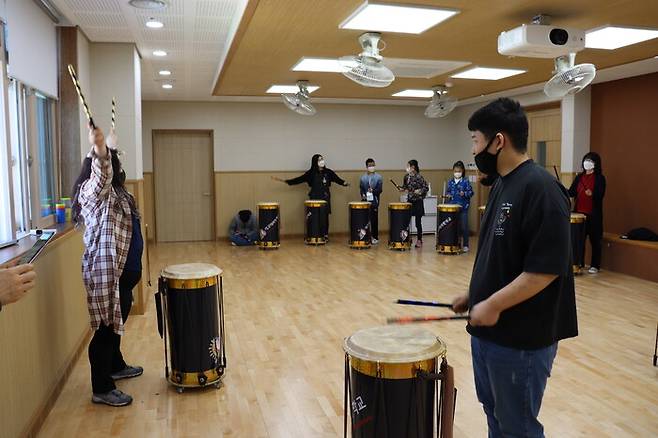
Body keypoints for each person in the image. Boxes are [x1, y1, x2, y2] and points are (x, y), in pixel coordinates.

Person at [451, 98, 577, 438]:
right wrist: (474, 294)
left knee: (517, 427)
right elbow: (502, 254)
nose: (473, 149)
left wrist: (492, 304)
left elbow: (545, 270)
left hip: (522, 339)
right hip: (490, 333)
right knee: (495, 416)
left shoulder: (542, 190)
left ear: (498, 141)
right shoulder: (502, 183)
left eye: (476, 140)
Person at [72, 125, 143, 407]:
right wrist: (101, 150)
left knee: (116, 324)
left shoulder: (118, 193)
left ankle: (116, 365)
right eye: (115, 165)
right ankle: (102, 387)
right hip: (107, 277)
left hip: (123, 277)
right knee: (104, 330)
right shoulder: (93, 192)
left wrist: (112, 146)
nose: (117, 168)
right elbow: (102, 174)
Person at [273, 154, 349, 239]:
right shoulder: (311, 173)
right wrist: (288, 182)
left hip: (325, 197)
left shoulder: (328, 172)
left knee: (324, 217)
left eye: (322, 159)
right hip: (314, 197)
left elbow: (337, 179)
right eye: (319, 160)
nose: (321, 161)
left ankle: (325, 235)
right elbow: (299, 179)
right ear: (315, 162)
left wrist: (343, 183)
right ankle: (314, 234)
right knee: (314, 217)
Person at [568, 152, 606, 274]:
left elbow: (600, 195)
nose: (587, 163)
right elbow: (572, 192)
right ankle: (580, 263)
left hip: (593, 215)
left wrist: (592, 194)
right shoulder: (579, 177)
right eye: (586, 160)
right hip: (580, 214)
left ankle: (595, 265)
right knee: (579, 241)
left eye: (590, 161)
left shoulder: (600, 178)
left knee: (595, 240)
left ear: (595, 164)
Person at [446, 161, 474, 252]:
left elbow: (471, 192)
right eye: (455, 171)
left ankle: (465, 245)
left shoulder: (465, 181)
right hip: (453, 208)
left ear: (462, 171)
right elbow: (448, 192)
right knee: (454, 226)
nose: (457, 173)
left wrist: (464, 193)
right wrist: (448, 195)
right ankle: (455, 243)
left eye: (459, 171)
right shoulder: (450, 182)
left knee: (464, 226)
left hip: (463, 208)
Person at [400, 159, 428, 248]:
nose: (407, 168)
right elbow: (405, 187)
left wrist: (419, 191)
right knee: (406, 221)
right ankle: (406, 238)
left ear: (413, 167)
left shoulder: (419, 177)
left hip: (418, 202)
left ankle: (419, 240)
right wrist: (402, 189)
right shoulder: (406, 177)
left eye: (408, 166)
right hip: (410, 202)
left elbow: (425, 188)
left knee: (418, 222)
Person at [359, 158, 383, 244]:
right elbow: (361, 189)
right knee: (365, 220)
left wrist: (373, 191)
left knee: (374, 220)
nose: (372, 167)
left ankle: (375, 237)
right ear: (366, 167)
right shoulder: (363, 178)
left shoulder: (378, 177)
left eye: (373, 165)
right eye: (370, 165)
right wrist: (363, 195)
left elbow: (380, 190)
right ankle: (366, 236)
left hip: (374, 202)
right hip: (365, 202)